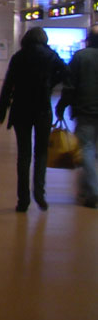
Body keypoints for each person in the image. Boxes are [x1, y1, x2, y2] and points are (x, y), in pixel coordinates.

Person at [0, 27, 67, 211]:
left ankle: (23, 199)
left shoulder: (19, 57)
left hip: (20, 109)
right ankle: (39, 194)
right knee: (41, 152)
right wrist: (50, 82)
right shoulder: (51, 56)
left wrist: (1, 111)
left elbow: (8, 84)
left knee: (24, 154)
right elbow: (66, 74)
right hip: (42, 109)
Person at [56, 25, 98, 208]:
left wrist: (62, 104)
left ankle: (93, 191)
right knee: (89, 151)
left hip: (86, 110)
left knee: (86, 149)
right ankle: (85, 189)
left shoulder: (81, 57)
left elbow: (70, 84)